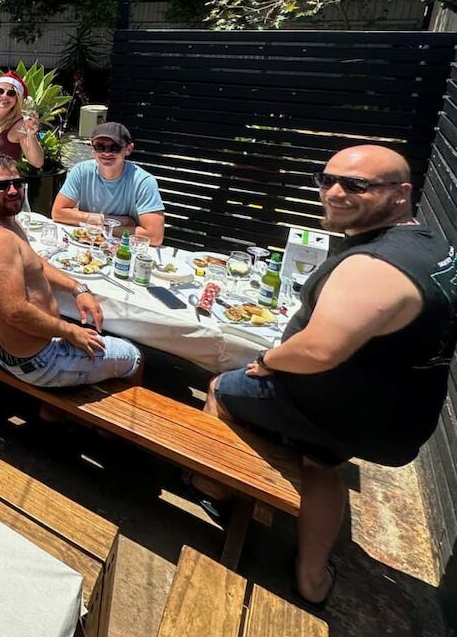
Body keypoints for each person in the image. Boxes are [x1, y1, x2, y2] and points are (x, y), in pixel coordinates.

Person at [204, 145, 457, 606]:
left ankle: (214, 487)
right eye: (328, 180)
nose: (335, 192)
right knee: (322, 463)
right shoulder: (431, 247)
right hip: (386, 412)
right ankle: (312, 576)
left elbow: (319, 348)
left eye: (356, 185)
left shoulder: (373, 266)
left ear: (401, 193)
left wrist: (268, 361)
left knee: (221, 388)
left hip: (329, 403)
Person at [0, 152, 140, 389]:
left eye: (18, 183)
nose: (13, 191)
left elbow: (33, 262)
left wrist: (77, 288)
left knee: (85, 330)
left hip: (3, 348)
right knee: (135, 356)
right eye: (2, 185)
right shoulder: (0, 239)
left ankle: (55, 407)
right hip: (37, 361)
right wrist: (69, 331)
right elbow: (15, 312)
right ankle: (96, 422)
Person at [52, 122, 165, 245]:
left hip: (124, 247)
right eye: (99, 147)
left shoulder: (143, 182)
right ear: (92, 149)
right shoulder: (81, 171)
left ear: (128, 149)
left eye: (114, 148)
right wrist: (109, 220)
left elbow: (154, 236)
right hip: (87, 243)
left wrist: (105, 228)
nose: (106, 153)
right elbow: (58, 213)